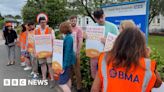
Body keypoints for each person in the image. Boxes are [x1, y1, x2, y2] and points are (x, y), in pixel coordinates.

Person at [91, 27, 162, 92]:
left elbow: (95, 89)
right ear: (141, 46)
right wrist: (146, 57)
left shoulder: (105, 58)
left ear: (118, 42)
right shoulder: (146, 65)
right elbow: (158, 84)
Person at [89, 9, 119, 79]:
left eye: (102, 17)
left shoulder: (112, 27)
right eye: (98, 18)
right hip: (94, 56)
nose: (101, 20)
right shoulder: (92, 27)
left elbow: (118, 42)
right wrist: (87, 37)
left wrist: (107, 40)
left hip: (107, 56)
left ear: (104, 15)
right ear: (95, 18)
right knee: (95, 76)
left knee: (106, 76)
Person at [54, 21, 76, 92]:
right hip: (68, 62)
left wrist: (63, 66)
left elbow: (67, 53)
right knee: (67, 79)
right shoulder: (68, 37)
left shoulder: (68, 38)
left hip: (66, 63)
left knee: (62, 83)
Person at [34, 17, 55, 88]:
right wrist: (35, 51)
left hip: (49, 51)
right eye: (42, 22)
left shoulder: (50, 30)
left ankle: (52, 79)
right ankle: (44, 78)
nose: (43, 23)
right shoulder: (36, 31)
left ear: (46, 22)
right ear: (39, 23)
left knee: (50, 65)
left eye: (44, 22)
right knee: (42, 64)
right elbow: (35, 42)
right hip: (40, 52)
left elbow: (54, 40)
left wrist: (53, 50)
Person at [69, 16, 83, 92]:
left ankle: (79, 87)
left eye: (74, 21)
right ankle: (70, 84)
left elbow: (80, 41)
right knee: (70, 70)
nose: (73, 22)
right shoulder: (68, 29)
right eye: (72, 21)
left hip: (75, 53)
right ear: (70, 21)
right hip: (69, 53)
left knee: (77, 70)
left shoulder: (79, 29)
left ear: (76, 21)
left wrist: (78, 51)